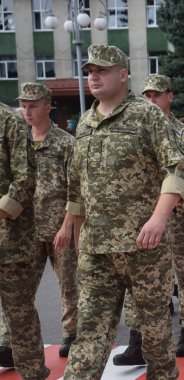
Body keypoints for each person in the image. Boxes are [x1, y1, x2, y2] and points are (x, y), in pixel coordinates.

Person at [62, 44, 184, 379]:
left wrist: (159, 218)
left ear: (122, 74)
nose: (93, 77)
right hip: (96, 250)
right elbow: (77, 186)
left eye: (101, 70)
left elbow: (177, 168)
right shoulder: (85, 123)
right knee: (89, 333)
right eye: (89, 71)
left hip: (143, 249)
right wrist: (75, 231)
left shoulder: (146, 115)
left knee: (155, 338)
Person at [112, 74, 184, 366]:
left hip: (177, 219)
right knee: (136, 278)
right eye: (147, 95)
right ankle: (137, 340)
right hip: (142, 218)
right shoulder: (135, 130)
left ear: (169, 97)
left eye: (157, 95)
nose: (151, 100)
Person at [0, 83, 77, 359]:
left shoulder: (65, 143)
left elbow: (76, 188)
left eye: (33, 105)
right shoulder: (15, 140)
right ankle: (9, 343)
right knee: (18, 292)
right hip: (25, 231)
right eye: (24, 105)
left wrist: (68, 225)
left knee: (69, 286)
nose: (27, 111)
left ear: (48, 107)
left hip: (59, 228)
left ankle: (72, 334)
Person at [0, 102, 49, 379]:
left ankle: (33, 373)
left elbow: (24, 179)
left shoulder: (10, 121)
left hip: (11, 239)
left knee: (19, 315)